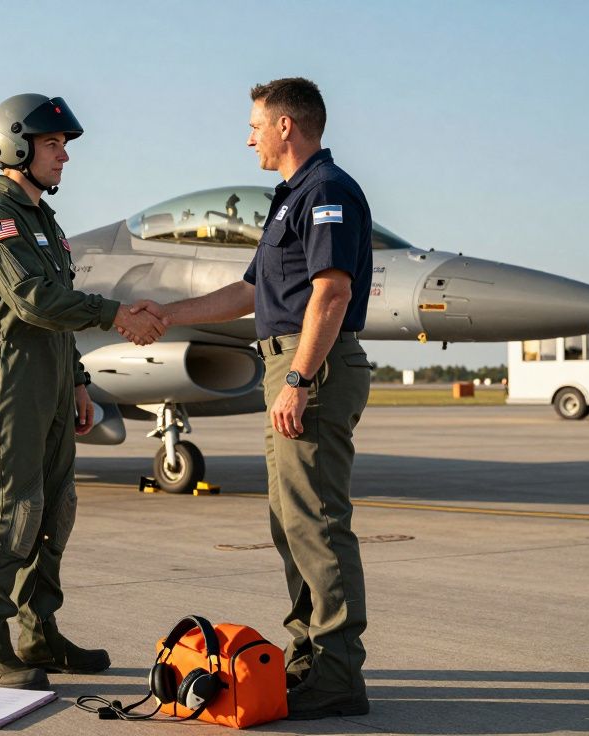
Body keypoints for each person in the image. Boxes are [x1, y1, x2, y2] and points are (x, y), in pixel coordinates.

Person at [125, 78, 374, 719]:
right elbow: (251, 293)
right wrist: (169, 313)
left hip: (309, 364)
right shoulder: (291, 198)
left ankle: (339, 673)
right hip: (289, 361)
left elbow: (332, 293)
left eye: (256, 124)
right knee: (289, 522)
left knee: (316, 521)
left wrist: (298, 379)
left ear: (286, 126)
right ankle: (309, 658)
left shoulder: (326, 192)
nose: (250, 136)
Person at [0, 93, 166, 690]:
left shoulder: (42, 221)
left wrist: (77, 381)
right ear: (14, 145)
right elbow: (35, 301)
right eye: (54, 145)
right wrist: (118, 313)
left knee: (54, 509)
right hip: (11, 385)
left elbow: (56, 321)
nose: (64, 156)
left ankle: (39, 633)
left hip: (50, 381)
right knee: (9, 513)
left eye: (64, 146)